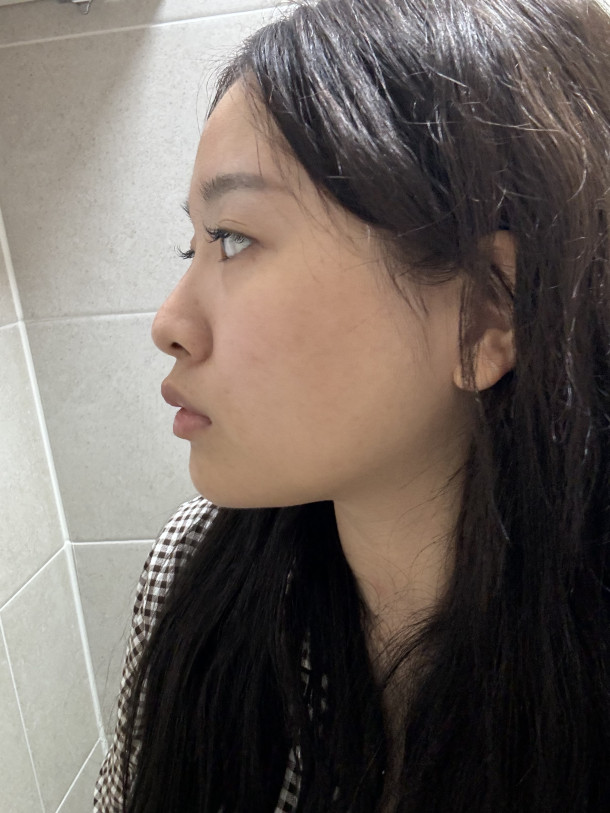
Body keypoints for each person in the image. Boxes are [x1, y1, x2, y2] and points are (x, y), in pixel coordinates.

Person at [93, 0, 610, 810]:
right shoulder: (193, 572)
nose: (169, 325)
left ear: (485, 310)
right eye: (192, 244)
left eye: (234, 238)